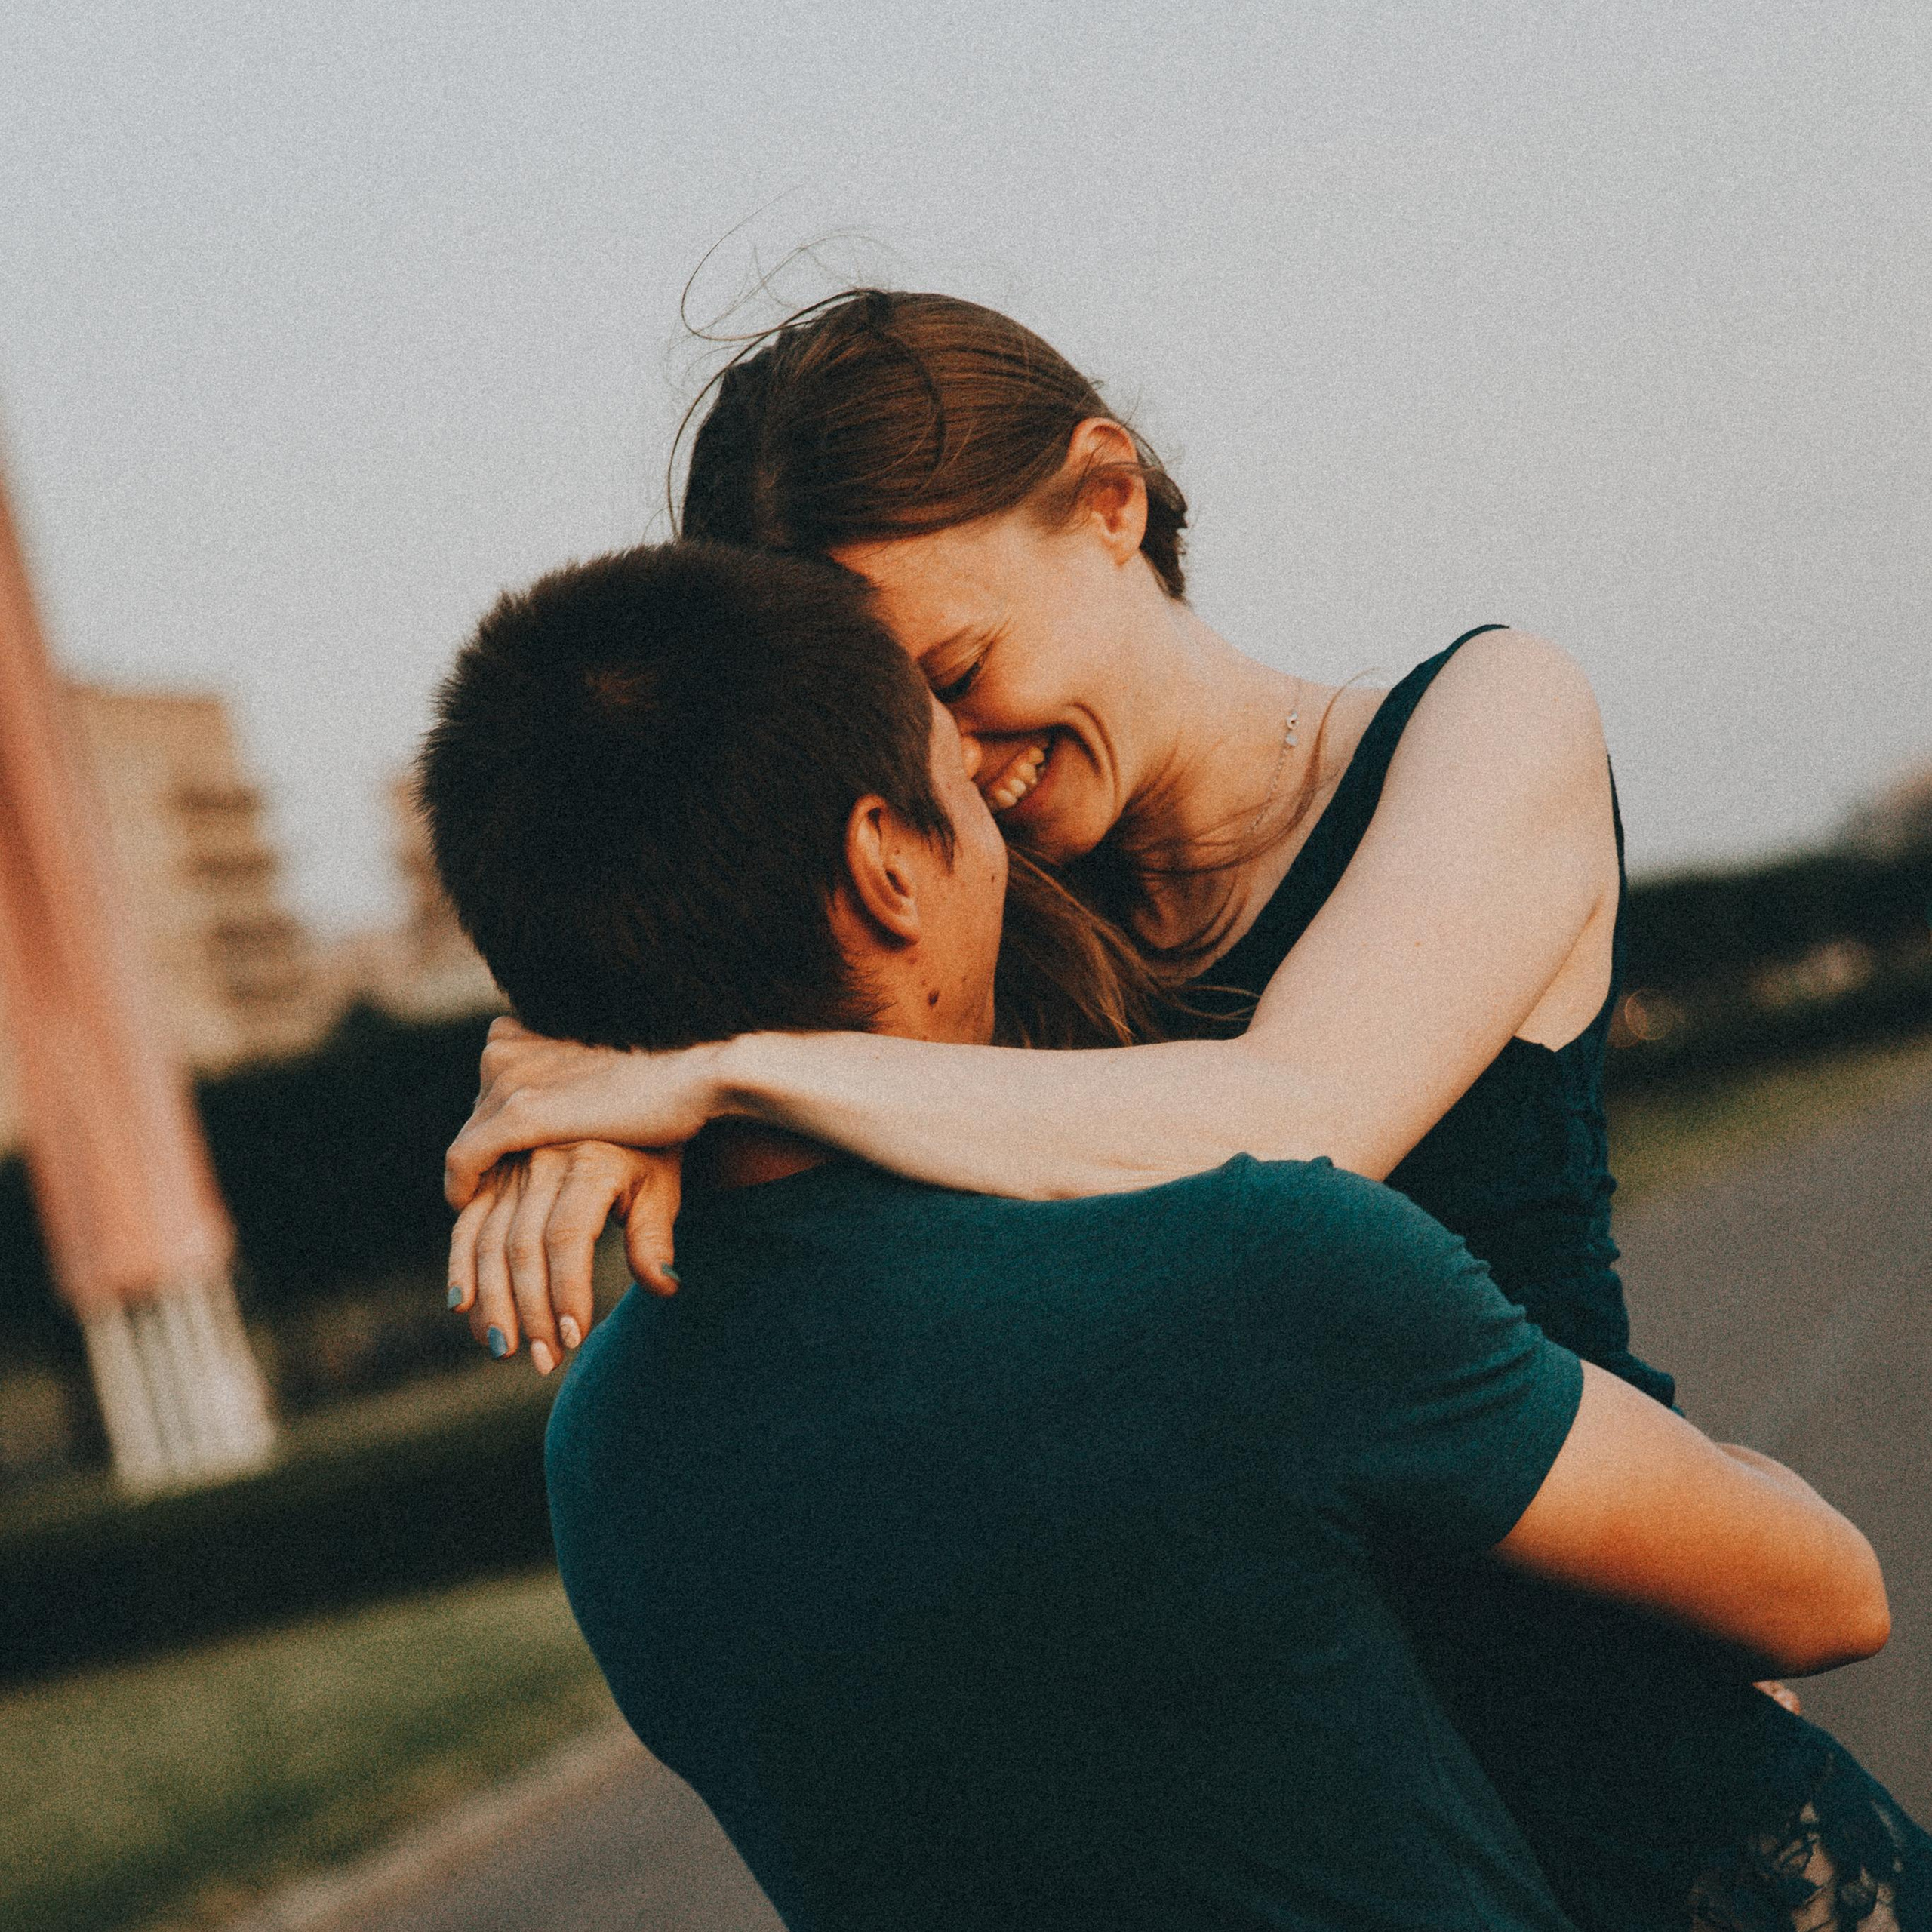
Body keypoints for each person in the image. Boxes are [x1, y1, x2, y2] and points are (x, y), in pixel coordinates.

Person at [440, 293, 1932, 1930]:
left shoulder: (1476, 727)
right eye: (900, 731)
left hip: (1656, 1792)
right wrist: (614, 1073)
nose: (962, 762)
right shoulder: (975, 930)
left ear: (1106, 498)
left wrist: (717, 1067)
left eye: (958, 670)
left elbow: (1295, 1122)